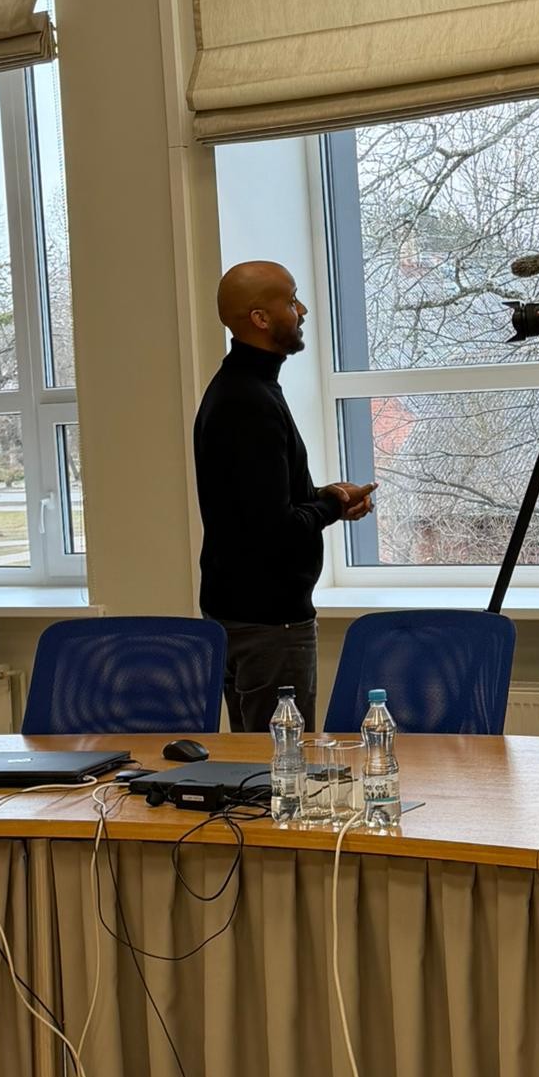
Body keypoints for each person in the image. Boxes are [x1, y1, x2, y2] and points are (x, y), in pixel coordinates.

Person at [194, 260, 376, 732]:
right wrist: (332, 505)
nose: (303, 310)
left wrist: (323, 496)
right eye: (292, 301)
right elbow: (274, 528)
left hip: (240, 613)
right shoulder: (249, 402)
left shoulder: (239, 388)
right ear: (260, 318)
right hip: (269, 625)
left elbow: (256, 503)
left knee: (257, 760)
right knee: (280, 764)